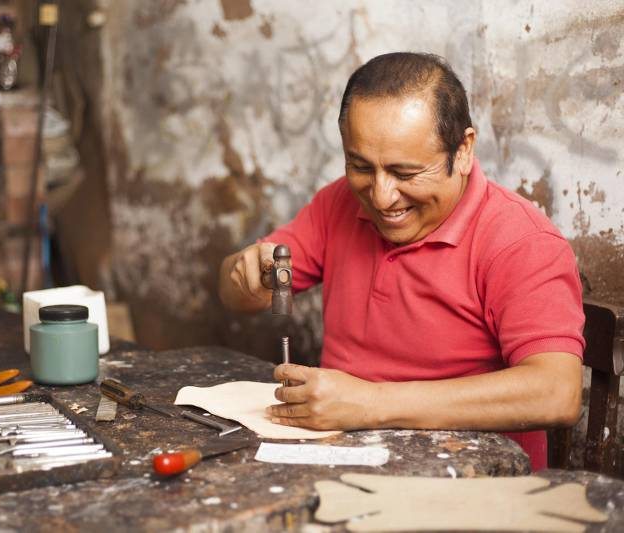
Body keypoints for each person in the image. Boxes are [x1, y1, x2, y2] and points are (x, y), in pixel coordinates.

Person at [218, 52, 584, 471]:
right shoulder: (338, 203)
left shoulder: (519, 240)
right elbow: (237, 296)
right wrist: (245, 274)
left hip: (471, 482)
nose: (381, 196)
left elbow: (556, 392)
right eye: (360, 167)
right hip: (342, 460)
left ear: (463, 150)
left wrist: (370, 403)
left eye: (405, 173)